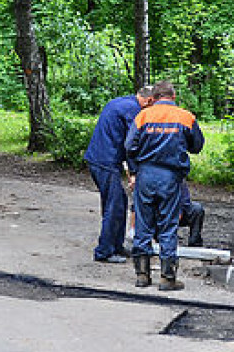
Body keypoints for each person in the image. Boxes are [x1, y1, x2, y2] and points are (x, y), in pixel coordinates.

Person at [125, 81, 205, 290]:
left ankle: (142, 275)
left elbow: (129, 145)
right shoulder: (185, 117)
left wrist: (135, 168)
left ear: (154, 97)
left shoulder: (143, 116)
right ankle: (167, 277)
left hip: (145, 174)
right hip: (170, 177)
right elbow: (197, 146)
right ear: (173, 95)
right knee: (168, 225)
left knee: (143, 222)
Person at [83, 87, 154, 263]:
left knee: (119, 202)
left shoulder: (122, 102)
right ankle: (104, 252)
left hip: (101, 158)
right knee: (114, 206)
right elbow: (131, 144)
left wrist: (129, 172)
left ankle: (116, 246)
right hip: (104, 161)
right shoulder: (133, 110)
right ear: (148, 101)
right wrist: (134, 173)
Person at [178, 183, 205, 248]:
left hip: (178, 213)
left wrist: (179, 212)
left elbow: (185, 200)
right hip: (160, 215)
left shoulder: (179, 178)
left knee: (197, 209)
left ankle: (195, 242)